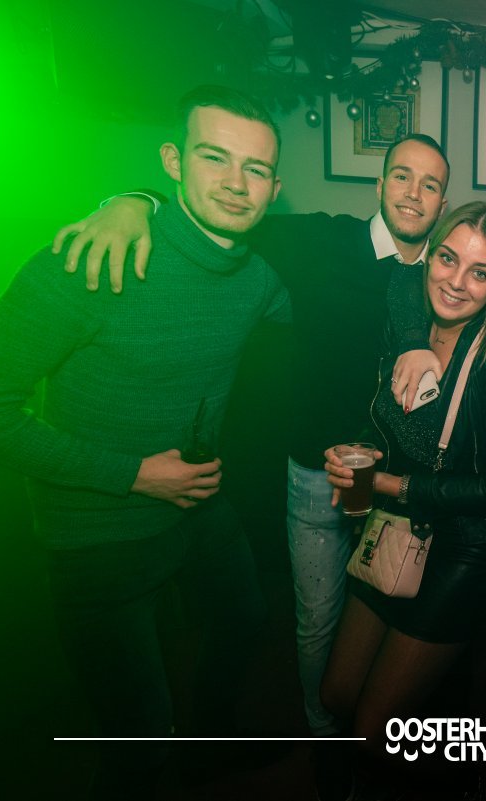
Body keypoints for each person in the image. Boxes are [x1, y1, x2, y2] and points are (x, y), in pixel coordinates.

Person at [52, 133, 450, 737]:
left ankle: (367, 719)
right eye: (402, 176)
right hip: (317, 475)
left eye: (430, 184)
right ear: (379, 184)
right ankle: (321, 732)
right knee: (318, 615)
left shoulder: (445, 275)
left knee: (384, 608)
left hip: (397, 485)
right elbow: (219, 214)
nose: (414, 193)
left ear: (443, 202)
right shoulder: (322, 240)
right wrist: (133, 201)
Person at [0, 85, 290, 800]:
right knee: (138, 735)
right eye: (215, 157)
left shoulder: (257, 279)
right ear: (173, 160)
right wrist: (131, 474)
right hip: (97, 529)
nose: (237, 183)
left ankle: (210, 749)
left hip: (197, 502)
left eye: (256, 169)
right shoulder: (89, 259)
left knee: (245, 617)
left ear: (274, 185)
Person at [318, 202, 486, 789]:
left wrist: (392, 485)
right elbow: (388, 421)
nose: (457, 281)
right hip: (396, 525)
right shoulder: (410, 327)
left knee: (375, 729)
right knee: (337, 693)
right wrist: (360, 453)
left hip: (463, 549)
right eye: (447, 259)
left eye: (480, 272)